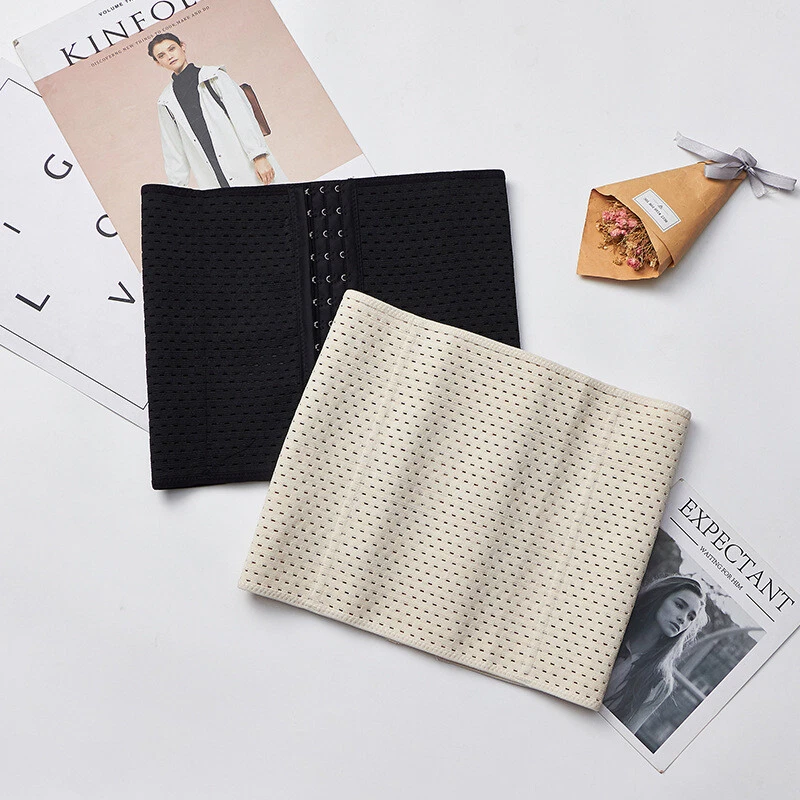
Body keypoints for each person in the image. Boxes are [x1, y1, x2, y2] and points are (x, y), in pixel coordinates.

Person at [148, 32, 286, 189]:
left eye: (172, 49)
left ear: (182, 47)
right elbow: (173, 149)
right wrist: (177, 189)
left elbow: (243, 118)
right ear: (158, 63)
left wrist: (259, 156)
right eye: (161, 55)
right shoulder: (166, 101)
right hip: (211, 174)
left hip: (244, 162)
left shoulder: (214, 77)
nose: (169, 56)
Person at [604, 575, 707, 733]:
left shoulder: (661, 683)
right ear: (660, 597)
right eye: (679, 605)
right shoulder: (611, 626)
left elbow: (622, 735)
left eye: (690, 617)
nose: (683, 619)